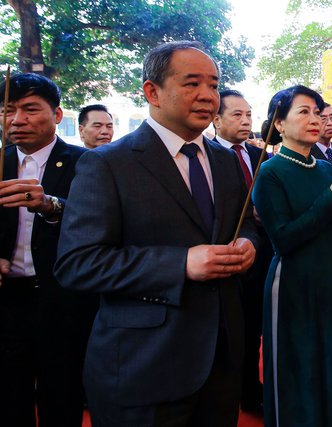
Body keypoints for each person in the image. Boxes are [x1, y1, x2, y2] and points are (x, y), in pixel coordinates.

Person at [54, 41, 258, 427]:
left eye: (213, 85)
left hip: (220, 362)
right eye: (192, 83)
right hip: (143, 367)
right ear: (152, 92)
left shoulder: (225, 161)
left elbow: (243, 225)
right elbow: (77, 263)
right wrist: (180, 264)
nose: (207, 96)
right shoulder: (107, 164)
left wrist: (248, 244)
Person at [252, 85, 332, 427]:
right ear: (280, 123)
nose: (315, 118)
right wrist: (331, 199)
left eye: (317, 111)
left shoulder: (328, 168)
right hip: (295, 284)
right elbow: (284, 239)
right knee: (301, 367)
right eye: (303, 111)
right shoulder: (270, 173)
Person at [0, 73, 95, 427]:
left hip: (62, 300)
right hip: (8, 300)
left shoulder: (86, 163)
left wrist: (51, 204)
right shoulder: (1, 161)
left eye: (29, 109)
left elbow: (96, 221)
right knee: (10, 398)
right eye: (8, 110)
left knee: (62, 395)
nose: (16, 120)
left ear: (56, 115)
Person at [212, 89, 272, 414]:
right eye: (237, 114)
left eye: (249, 114)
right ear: (215, 118)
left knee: (253, 329)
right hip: (222, 259)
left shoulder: (262, 157)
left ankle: (251, 390)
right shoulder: (207, 156)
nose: (246, 121)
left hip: (260, 254)